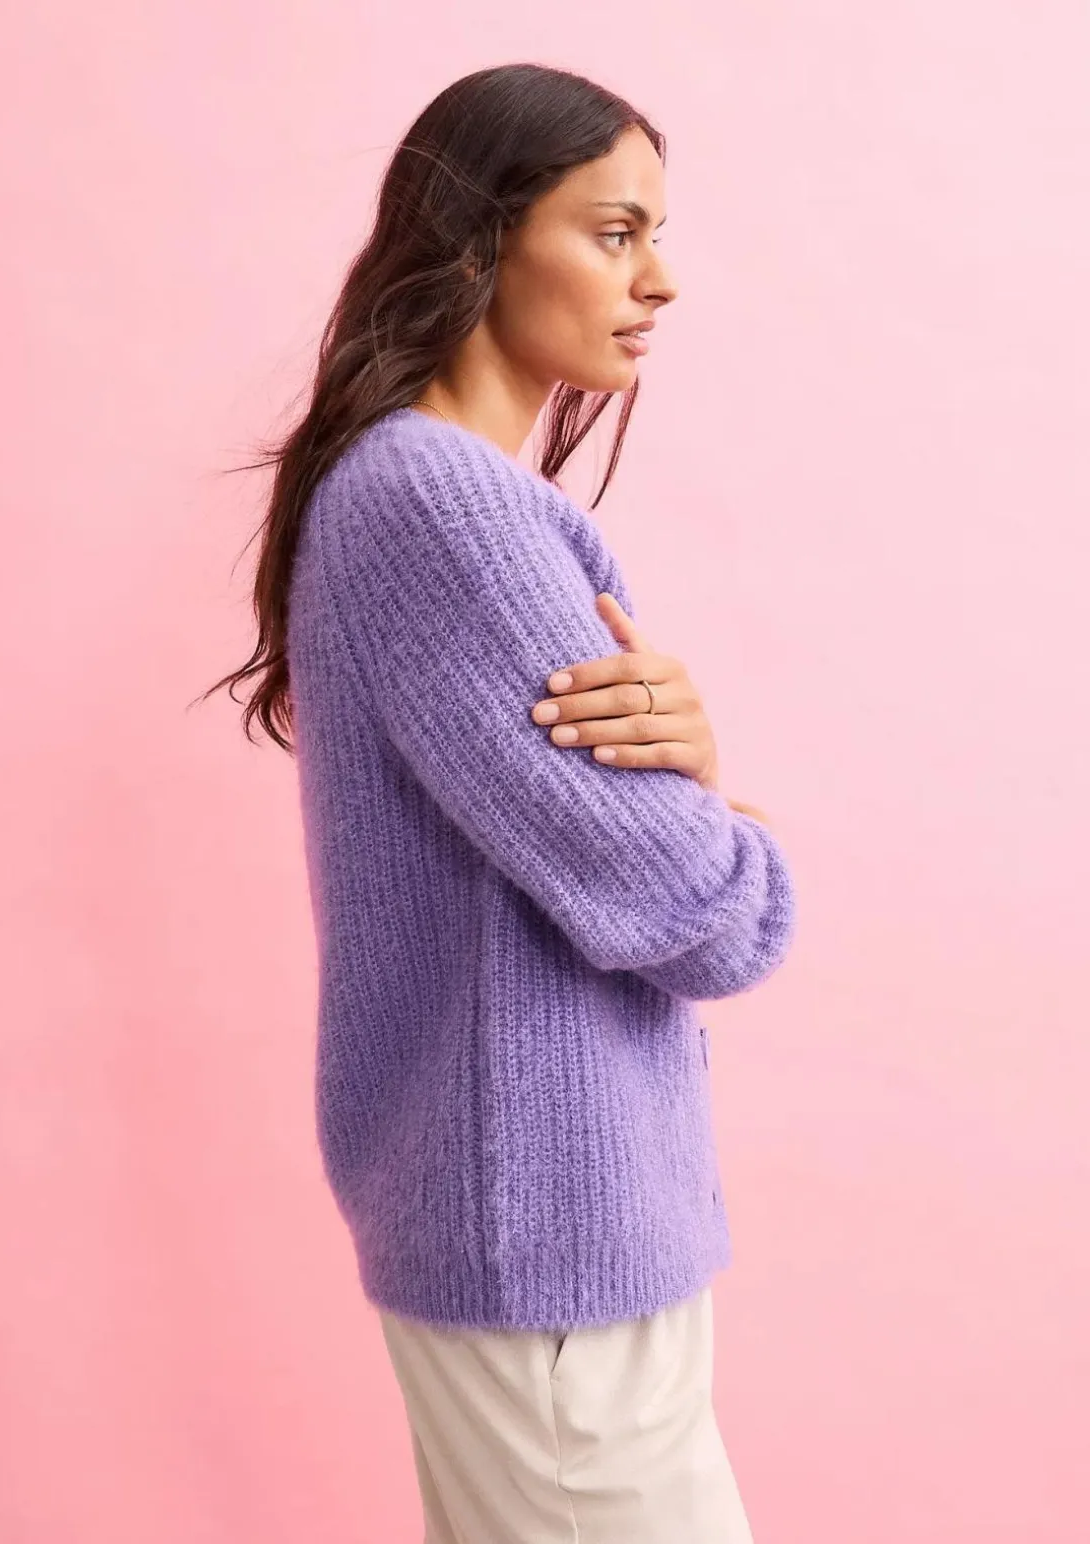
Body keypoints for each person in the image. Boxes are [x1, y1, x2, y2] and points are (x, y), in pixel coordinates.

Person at [205, 61, 797, 1544]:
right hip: (549, 1245)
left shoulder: (429, 492)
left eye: (656, 234)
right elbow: (701, 914)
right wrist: (735, 833)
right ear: (480, 236)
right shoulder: (443, 505)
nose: (658, 280)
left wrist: (695, 785)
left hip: (544, 1230)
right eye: (613, 232)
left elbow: (628, 851)